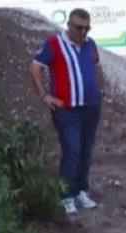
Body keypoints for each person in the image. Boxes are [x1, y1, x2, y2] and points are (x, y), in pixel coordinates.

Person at [29, 8, 103, 216]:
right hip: (67, 110)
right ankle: (66, 196)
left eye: (87, 28)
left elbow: (95, 66)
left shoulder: (90, 44)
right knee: (72, 151)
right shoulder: (54, 44)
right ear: (69, 25)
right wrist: (44, 96)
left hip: (91, 107)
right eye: (79, 27)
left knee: (86, 151)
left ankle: (81, 191)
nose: (83, 32)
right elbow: (35, 68)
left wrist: (99, 90)